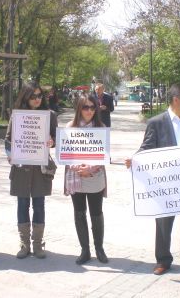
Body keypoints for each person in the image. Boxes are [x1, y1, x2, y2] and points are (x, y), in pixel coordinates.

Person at [125, 83, 180, 275]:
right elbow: (146, 147)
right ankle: (163, 260)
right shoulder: (156, 122)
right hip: (166, 184)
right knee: (164, 222)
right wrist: (135, 158)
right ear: (175, 99)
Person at [5, 82, 57, 259]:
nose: (37, 99)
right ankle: (24, 243)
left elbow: (57, 139)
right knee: (22, 204)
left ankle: (38, 244)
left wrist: (52, 141)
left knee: (39, 205)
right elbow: (8, 139)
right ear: (26, 97)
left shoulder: (50, 116)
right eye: (33, 96)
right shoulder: (17, 116)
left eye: (40, 96)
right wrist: (10, 154)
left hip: (41, 169)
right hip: (21, 169)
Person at [65, 94, 109, 265]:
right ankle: (85, 249)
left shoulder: (101, 127)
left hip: (95, 178)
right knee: (79, 213)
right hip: (75, 176)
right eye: (86, 107)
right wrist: (78, 168)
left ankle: (99, 248)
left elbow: (104, 154)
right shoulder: (70, 127)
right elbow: (66, 154)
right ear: (79, 109)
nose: (89, 111)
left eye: (93, 107)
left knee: (96, 213)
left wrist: (91, 168)